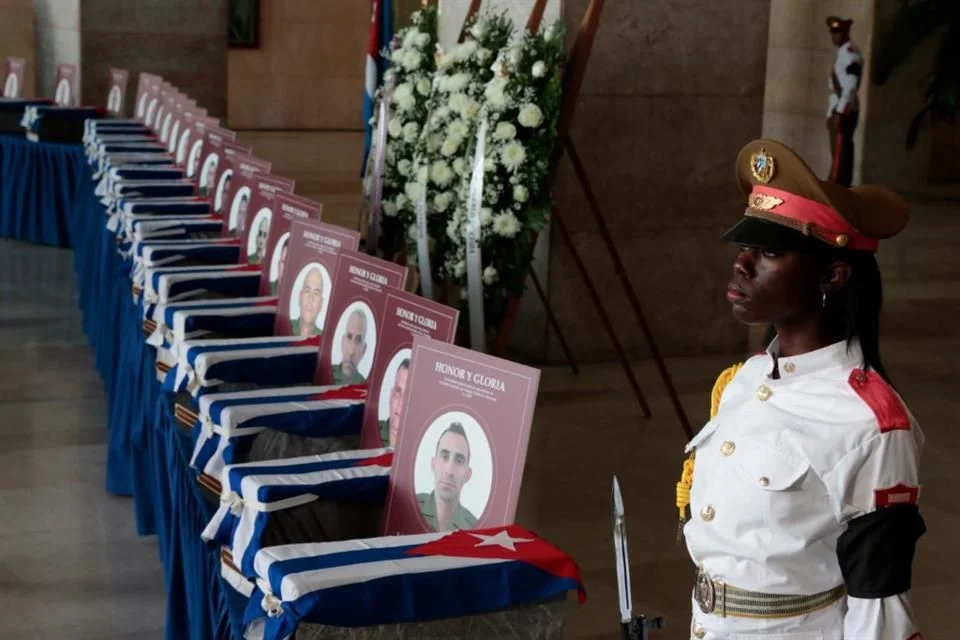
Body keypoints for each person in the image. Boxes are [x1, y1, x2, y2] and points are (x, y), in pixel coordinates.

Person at [677, 138, 925, 640]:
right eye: (744, 247)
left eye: (769, 251)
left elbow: (879, 609)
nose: (741, 265)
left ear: (831, 275)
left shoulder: (871, 423)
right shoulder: (742, 381)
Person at [417, 422, 479, 532]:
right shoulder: (411, 506)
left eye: (459, 461)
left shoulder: (475, 528)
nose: (449, 471)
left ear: (468, 474)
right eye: (445, 457)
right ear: (433, 464)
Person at [825, 16, 863, 187]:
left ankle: (837, 190)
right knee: (839, 154)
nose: (835, 36)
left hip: (843, 110)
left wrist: (840, 111)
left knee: (841, 157)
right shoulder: (843, 52)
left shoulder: (850, 54)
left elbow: (851, 87)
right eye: (833, 32)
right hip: (838, 107)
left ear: (846, 32)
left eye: (839, 32)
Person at [331, 309, 369, 385]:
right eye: (349, 337)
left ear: (364, 350)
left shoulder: (366, 388)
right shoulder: (325, 372)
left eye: (358, 340)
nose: (351, 351)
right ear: (342, 342)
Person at [379, 358, 409, 446]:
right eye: (397, 391)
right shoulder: (371, 428)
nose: (401, 403)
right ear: (390, 396)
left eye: (408, 396)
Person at [291, 267, 325, 338]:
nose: (311, 298)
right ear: (300, 297)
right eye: (307, 291)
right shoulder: (284, 326)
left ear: (321, 304)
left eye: (316, 294)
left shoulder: (324, 339)